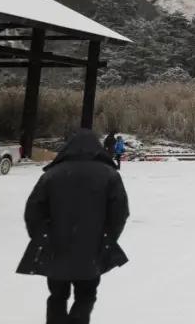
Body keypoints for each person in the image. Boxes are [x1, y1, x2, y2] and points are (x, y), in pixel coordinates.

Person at [17, 129, 130, 324]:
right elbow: (120, 213)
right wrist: (107, 238)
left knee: (57, 297)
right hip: (91, 249)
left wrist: (43, 237)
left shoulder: (52, 175)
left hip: (56, 249)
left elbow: (33, 211)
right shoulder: (109, 175)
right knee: (86, 295)